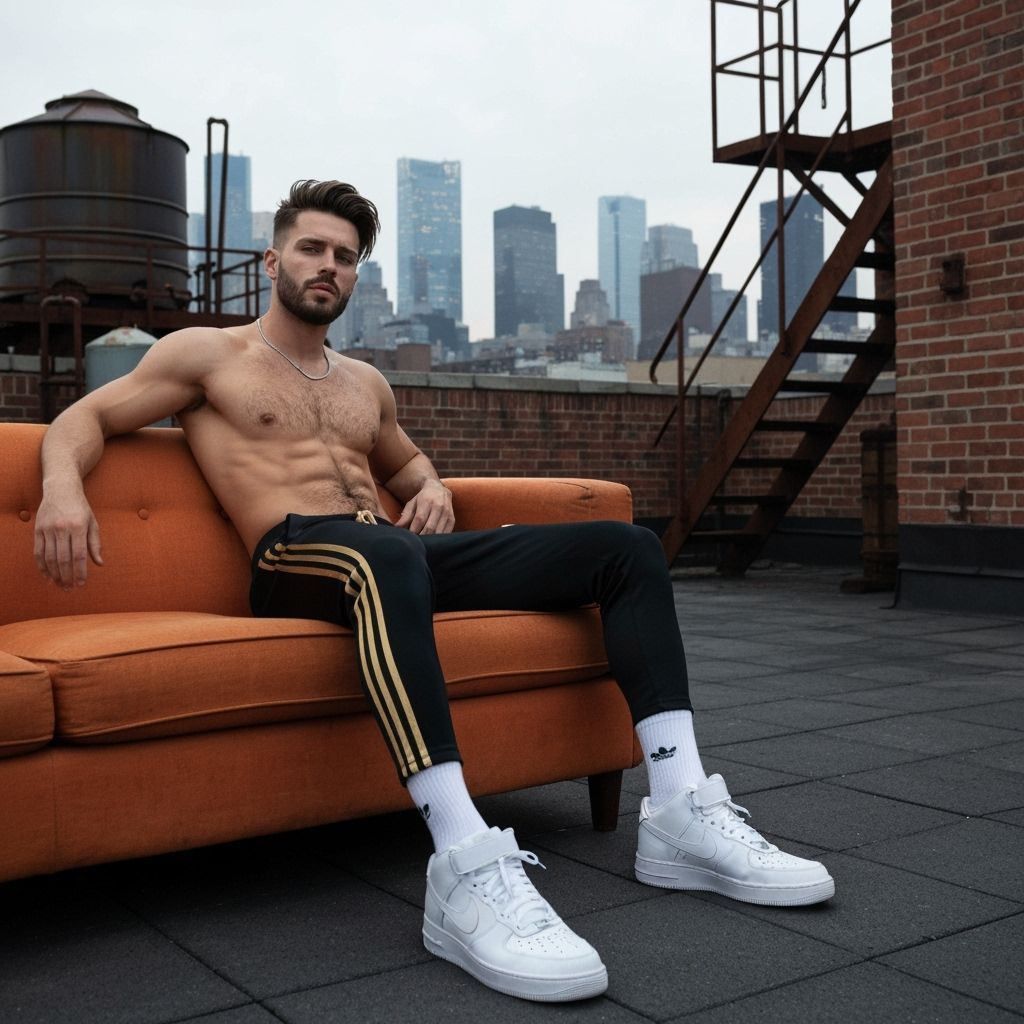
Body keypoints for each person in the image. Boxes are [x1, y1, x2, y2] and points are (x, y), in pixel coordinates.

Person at [34, 180, 834, 1003]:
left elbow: (408, 466)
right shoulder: (206, 355)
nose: (328, 266)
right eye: (312, 248)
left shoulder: (365, 384)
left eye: (345, 257)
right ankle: (463, 863)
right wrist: (63, 491)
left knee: (624, 550)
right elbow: (82, 420)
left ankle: (680, 811)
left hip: (392, 558)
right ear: (274, 259)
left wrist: (435, 489)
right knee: (386, 557)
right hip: (294, 562)